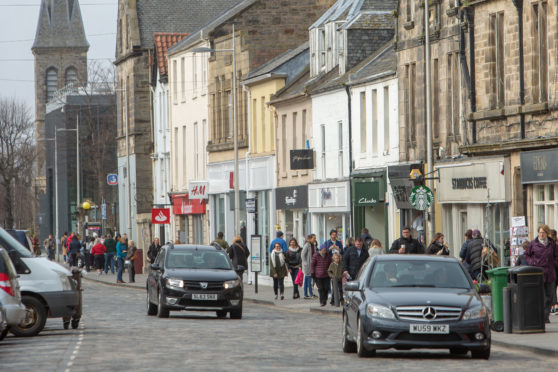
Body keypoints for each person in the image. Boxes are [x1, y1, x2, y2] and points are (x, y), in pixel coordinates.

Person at [524, 224, 558, 323]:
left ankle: (546, 316)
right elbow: (526, 255)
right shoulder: (533, 243)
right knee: (541, 296)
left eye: (543, 232)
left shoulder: (552, 244)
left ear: (547, 233)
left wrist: (554, 263)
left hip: (550, 273)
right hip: (538, 273)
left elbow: (557, 255)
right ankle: (541, 317)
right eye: (540, 232)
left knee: (550, 296)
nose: (541, 234)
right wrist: (532, 263)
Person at [301, 234, 317, 299]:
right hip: (308, 265)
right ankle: (310, 294)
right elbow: (302, 254)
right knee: (308, 279)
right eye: (314, 238)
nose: (315, 239)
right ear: (310, 239)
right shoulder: (307, 245)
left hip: (312, 264)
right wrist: (305, 263)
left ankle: (306, 294)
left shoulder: (313, 245)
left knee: (307, 280)